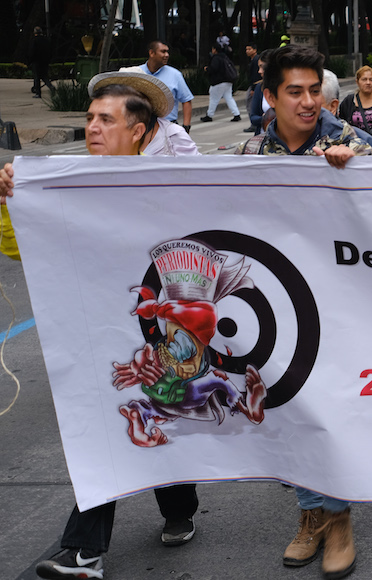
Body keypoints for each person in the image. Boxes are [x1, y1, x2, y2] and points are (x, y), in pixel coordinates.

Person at [6, 72, 202, 580]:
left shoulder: (171, 186)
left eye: (106, 119)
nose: (93, 126)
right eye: (90, 117)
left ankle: (178, 506)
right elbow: (21, 248)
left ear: (137, 131)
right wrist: (10, 202)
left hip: (154, 338)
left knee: (155, 420)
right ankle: (84, 553)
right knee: (105, 430)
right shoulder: (63, 184)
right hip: (93, 336)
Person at [234, 44, 372, 580]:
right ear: (270, 97)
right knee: (290, 408)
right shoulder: (249, 153)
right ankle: (312, 513)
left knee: (332, 410)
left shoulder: (354, 145)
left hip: (341, 309)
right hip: (275, 311)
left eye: (314, 90)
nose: (307, 101)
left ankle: (338, 520)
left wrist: (355, 175)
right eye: (294, 91)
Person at [139, 40, 194, 132]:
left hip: (168, 127)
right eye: (163, 51)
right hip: (143, 128)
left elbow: (186, 100)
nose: (167, 55)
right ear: (151, 53)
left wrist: (186, 126)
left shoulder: (175, 75)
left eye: (167, 52)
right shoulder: (138, 73)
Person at [339, 65, 372, 135]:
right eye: (364, 79)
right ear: (357, 82)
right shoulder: (348, 102)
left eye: (371, 79)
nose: (368, 83)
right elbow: (341, 124)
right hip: (355, 141)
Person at [200, 43, 241, 122]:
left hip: (218, 82)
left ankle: (209, 115)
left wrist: (207, 69)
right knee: (229, 98)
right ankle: (236, 114)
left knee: (213, 99)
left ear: (215, 50)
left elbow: (214, 68)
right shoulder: (225, 57)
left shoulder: (216, 58)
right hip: (228, 81)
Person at [30, 26, 55, 98]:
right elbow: (50, 50)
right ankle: (50, 86)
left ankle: (38, 93)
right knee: (44, 76)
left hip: (36, 61)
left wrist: (30, 60)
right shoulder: (46, 40)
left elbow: (32, 51)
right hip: (45, 61)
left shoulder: (34, 40)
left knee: (37, 77)